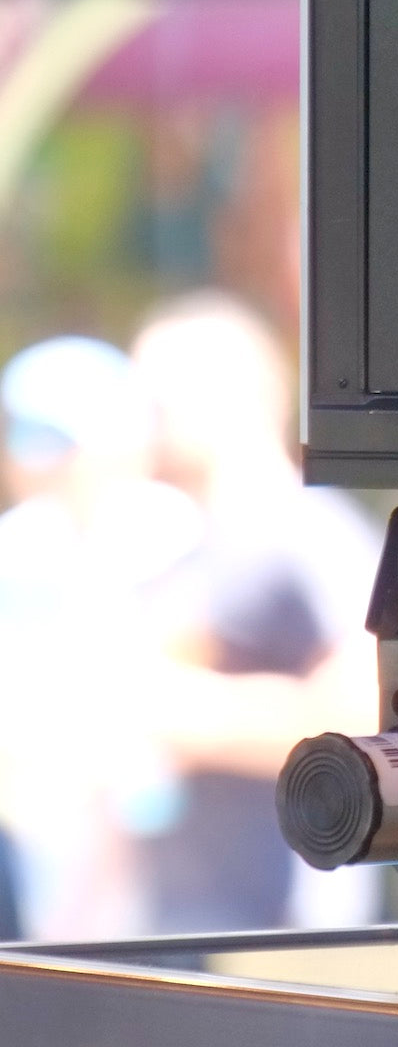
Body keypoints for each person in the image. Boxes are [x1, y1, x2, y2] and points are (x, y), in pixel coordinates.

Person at [129, 291, 382, 932]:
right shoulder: (181, 545)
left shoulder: (310, 534)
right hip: (188, 919)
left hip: (284, 927)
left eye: (160, 401)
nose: (144, 422)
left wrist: (192, 713)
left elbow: (369, 717)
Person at [0, 335, 201, 939]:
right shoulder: (19, 549)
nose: (45, 464)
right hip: (45, 848)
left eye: (64, 443)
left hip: (185, 867)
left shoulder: (177, 535)